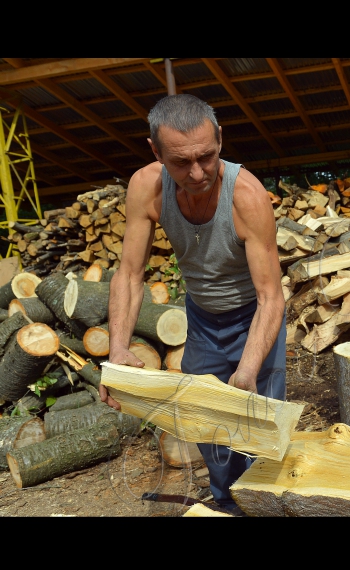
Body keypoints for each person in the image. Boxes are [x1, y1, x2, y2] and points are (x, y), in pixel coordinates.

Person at [99, 94, 286, 512]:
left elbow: (271, 296)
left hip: (255, 318)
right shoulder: (146, 187)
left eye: (207, 156)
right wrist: (117, 350)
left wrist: (249, 367)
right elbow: (129, 274)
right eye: (181, 162)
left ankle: (267, 506)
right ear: (156, 151)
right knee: (207, 424)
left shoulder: (247, 196)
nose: (198, 172)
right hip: (202, 319)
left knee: (258, 429)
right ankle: (225, 504)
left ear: (220, 138)